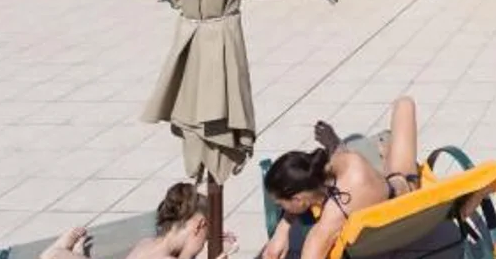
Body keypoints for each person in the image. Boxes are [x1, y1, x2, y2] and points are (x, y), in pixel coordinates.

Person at [263, 97, 463, 259]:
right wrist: (284, 227)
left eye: (281, 204)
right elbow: (333, 159)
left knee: (390, 128)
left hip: (400, 183)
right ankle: (384, 148)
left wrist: (282, 230)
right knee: (404, 104)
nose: (282, 209)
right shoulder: (346, 162)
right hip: (399, 184)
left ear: (299, 199)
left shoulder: (329, 222)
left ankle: (384, 149)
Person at [41, 183, 228, 259]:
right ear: (199, 226)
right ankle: (61, 250)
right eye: (205, 238)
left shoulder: (147, 243)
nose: (203, 245)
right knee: (53, 256)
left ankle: (73, 252)